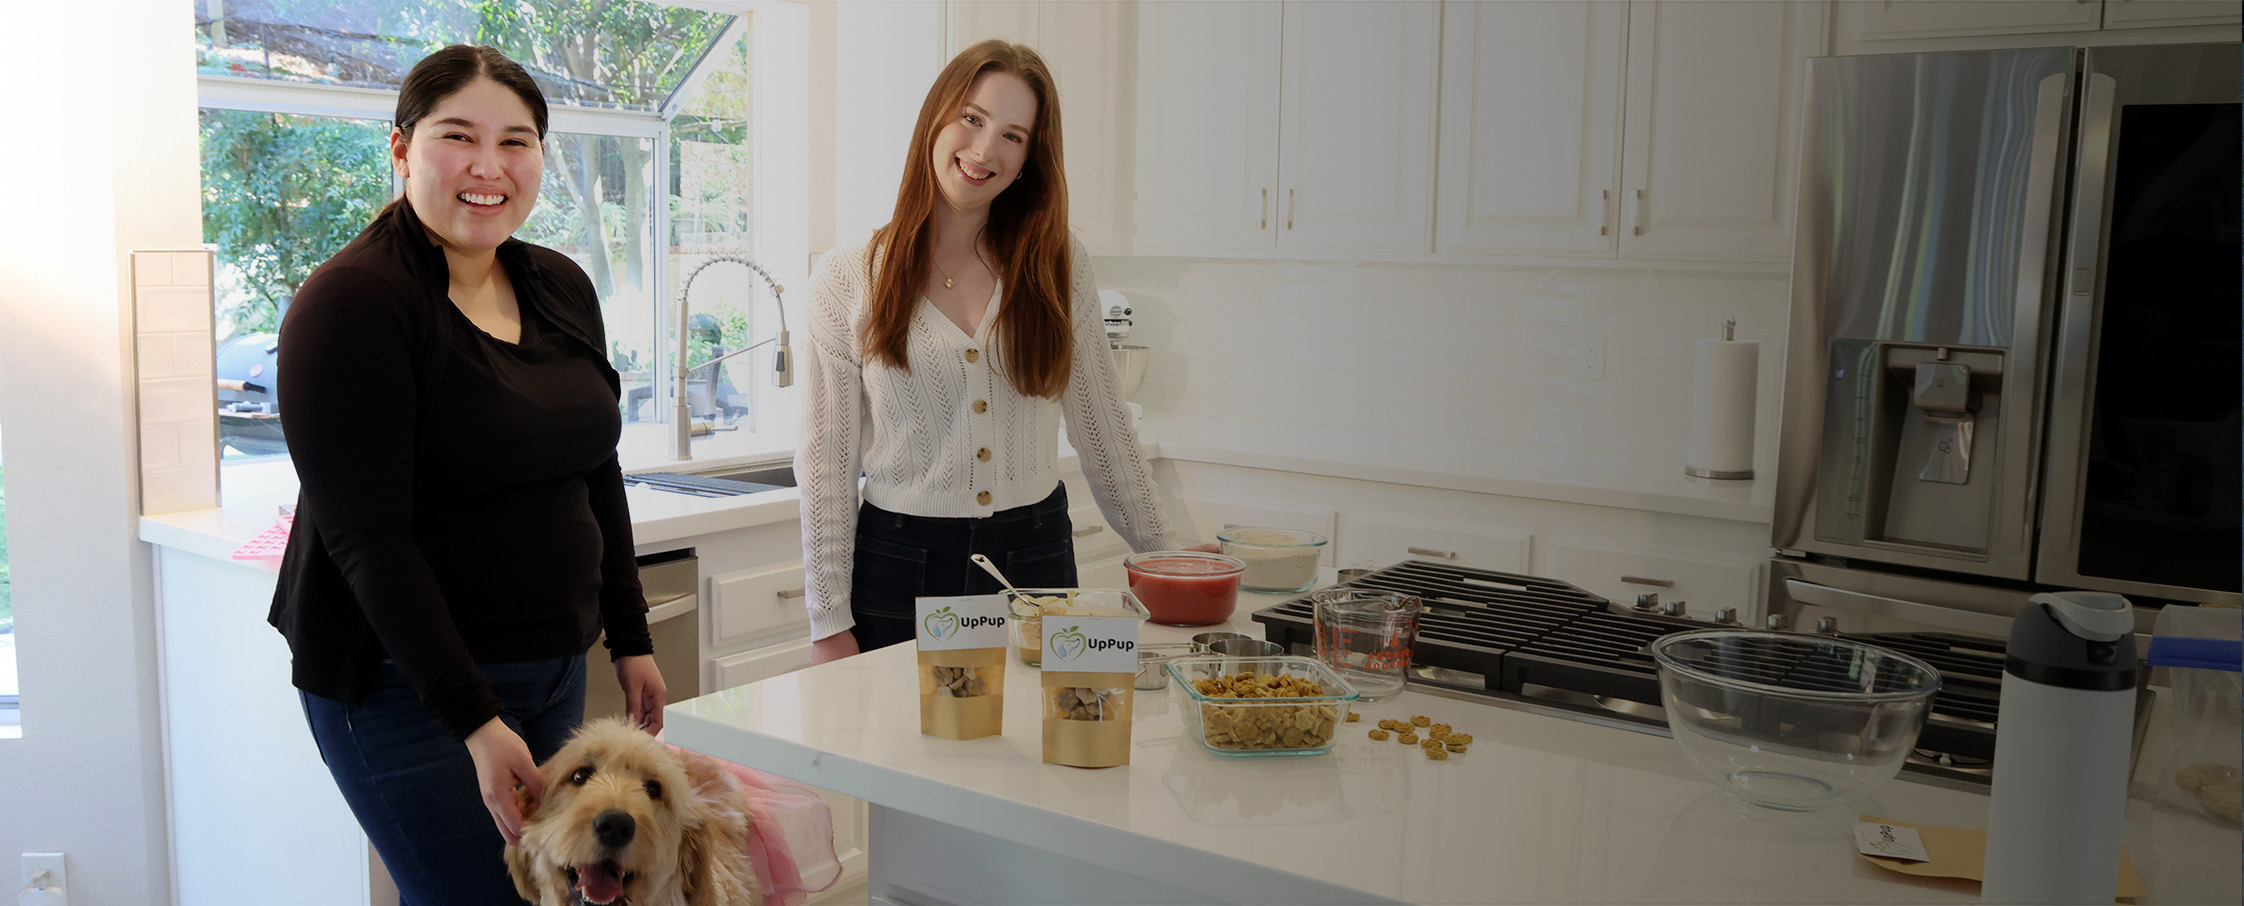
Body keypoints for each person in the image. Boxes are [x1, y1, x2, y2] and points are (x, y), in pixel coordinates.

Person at [267, 44, 666, 904]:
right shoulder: (351, 307)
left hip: (551, 665)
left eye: (517, 143)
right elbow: (368, 540)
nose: (489, 168)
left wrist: (629, 634)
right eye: (459, 137)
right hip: (402, 689)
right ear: (403, 150)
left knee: (552, 894)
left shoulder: (558, 284)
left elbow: (595, 470)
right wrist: (476, 725)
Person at [797, 40, 1177, 663]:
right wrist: (827, 619)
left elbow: (1105, 431)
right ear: (935, 120)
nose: (983, 150)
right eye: (971, 119)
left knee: (1047, 749)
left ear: (1029, 158)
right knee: (899, 750)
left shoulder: (1058, 265)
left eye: (1012, 135)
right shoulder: (847, 278)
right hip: (899, 563)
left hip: (1037, 557)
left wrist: (1169, 562)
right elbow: (826, 469)